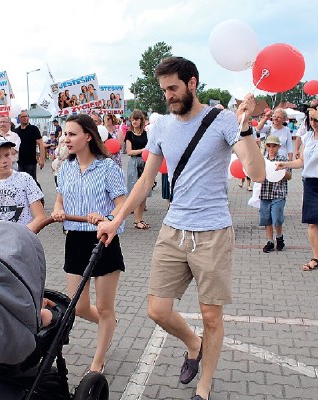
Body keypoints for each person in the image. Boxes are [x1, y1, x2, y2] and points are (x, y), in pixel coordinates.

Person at [97, 56, 265, 400]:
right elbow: (145, 181)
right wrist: (117, 220)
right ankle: (193, 342)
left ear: (192, 83)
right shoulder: (160, 126)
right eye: (164, 90)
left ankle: (203, 388)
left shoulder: (223, 121)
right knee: (157, 310)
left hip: (213, 233)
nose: (168, 96)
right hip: (173, 230)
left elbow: (256, 172)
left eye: (173, 88)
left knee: (211, 316)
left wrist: (245, 127)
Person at [51, 114, 126, 376]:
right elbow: (60, 200)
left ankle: (98, 360)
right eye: (64, 134)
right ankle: (109, 324)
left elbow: (121, 207)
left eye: (71, 134)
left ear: (88, 136)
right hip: (74, 240)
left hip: (102, 240)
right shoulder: (66, 168)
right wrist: (58, 209)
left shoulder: (108, 168)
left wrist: (105, 219)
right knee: (79, 307)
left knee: (105, 307)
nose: (66, 139)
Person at [276, 104, 318, 272]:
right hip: (311, 183)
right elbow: (302, 162)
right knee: (312, 223)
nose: (313, 123)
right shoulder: (308, 137)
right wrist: (285, 164)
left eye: (316, 119)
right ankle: (316, 257)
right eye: (311, 119)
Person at [0, 132, 46, 232]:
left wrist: (23, 233)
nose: (4, 160)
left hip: (23, 240)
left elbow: (40, 217)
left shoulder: (25, 179)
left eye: (7, 155)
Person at [259, 136, 292, 253]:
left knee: (277, 218)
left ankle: (279, 237)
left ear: (279, 147)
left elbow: (289, 176)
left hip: (278, 193)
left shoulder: (282, 159)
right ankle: (270, 241)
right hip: (265, 193)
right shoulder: (262, 160)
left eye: (274, 146)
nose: (271, 148)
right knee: (266, 218)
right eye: (269, 146)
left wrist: (281, 170)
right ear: (266, 146)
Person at [125, 110, 150, 229]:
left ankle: (141, 219)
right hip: (134, 163)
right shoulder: (129, 134)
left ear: (141, 120)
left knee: (144, 192)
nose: (134, 121)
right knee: (136, 192)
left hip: (145, 163)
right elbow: (129, 152)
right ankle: (136, 220)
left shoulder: (145, 133)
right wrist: (143, 150)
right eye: (132, 119)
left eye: (136, 119)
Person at [14, 110, 45, 187]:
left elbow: (41, 144)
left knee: (32, 182)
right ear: (19, 118)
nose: (25, 118)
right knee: (22, 183)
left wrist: (42, 158)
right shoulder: (16, 131)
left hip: (31, 162)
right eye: (23, 117)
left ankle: (40, 198)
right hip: (20, 162)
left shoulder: (33, 129)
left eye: (26, 116)